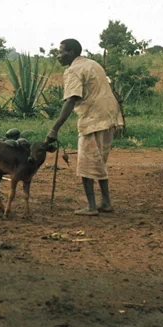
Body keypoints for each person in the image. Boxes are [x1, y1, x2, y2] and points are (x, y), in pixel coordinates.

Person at [46, 38, 123, 216]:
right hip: (109, 116)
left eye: (61, 51)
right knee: (99, 161)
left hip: (93, 119)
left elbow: (71, 100)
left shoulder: (73, 70)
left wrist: (54, 129)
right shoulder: (92, 64)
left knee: (86, 163)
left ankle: (91, 206)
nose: (58, 56)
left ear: (71, 53)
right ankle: (106, 202)